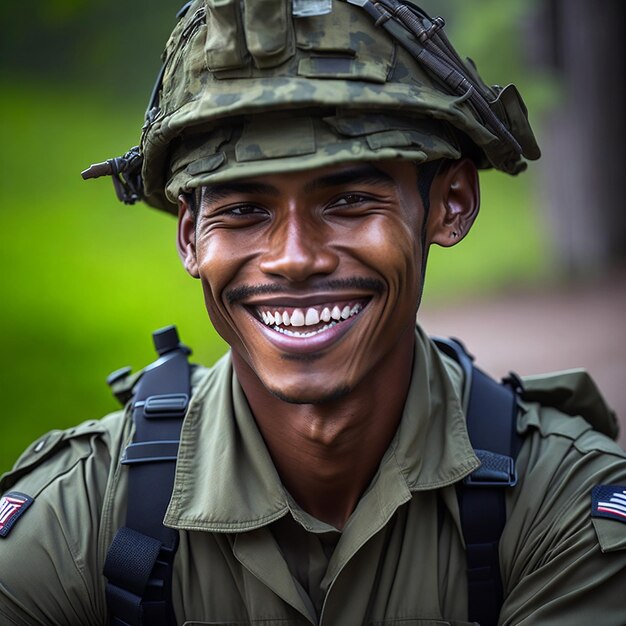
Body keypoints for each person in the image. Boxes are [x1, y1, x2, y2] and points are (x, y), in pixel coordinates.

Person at [1, 1, 625, 624]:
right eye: (245, 209)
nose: (294, 259)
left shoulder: (559, 502)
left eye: (350, 200)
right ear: (191, 238)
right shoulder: (80, 516)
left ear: (451, 204)